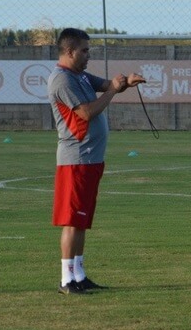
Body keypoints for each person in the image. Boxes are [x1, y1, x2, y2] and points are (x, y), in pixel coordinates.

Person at [48, 28, 145, 294]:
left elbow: (105, 84)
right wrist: (114, 90)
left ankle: (79, 274)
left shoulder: (77, 75)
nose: (88, 56)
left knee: (82, 219)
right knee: (73, 220)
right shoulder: (62, 80)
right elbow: (86, 113)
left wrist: (125, 81)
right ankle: (67, 280)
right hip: (76, 160)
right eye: (84, 51)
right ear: (69, 52)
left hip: (90, 160)